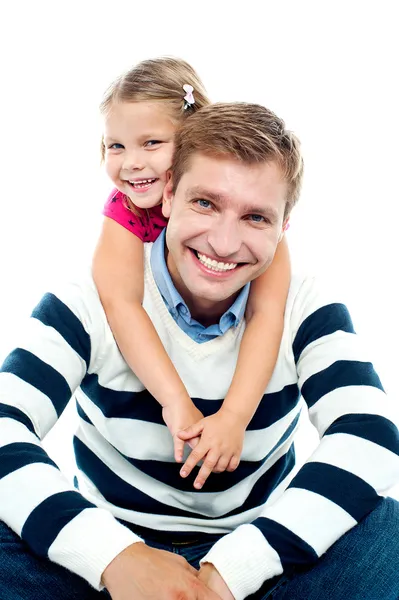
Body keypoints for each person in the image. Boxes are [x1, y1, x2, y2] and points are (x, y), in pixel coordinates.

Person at [0, 101, 399, 600]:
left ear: (284, 225)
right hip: (110, 568)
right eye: (205, 203)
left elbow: (370, 438)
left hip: (257, 563)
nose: (225, 242)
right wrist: (112, 557)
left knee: (391, 532)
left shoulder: (304, 303)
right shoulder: (92, 298)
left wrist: (232, 571)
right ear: (167, 194)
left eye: (256, 217)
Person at [92, 57, 291, 486]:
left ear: (190, 142)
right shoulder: (122, 211)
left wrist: (235, 416)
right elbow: (121, 303)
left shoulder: (256, 214)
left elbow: (267, 313)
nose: (131, 163)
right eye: (116, 146)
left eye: (151, 143)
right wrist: (175, 401)